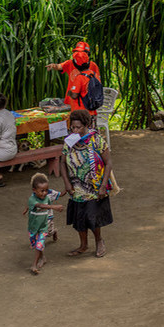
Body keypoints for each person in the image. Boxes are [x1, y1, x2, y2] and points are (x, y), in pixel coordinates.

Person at [59, 109, 113, 258]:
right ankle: (83, 245)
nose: (75, 130)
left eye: (78, 127)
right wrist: (67, 183)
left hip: (94, 187)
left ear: (86, 125)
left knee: (92, 217)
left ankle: (99, 241)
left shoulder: (96, 140)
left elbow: (108, 163)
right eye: (73, 127)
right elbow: (62, 163)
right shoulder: (69, 141)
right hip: (76, 187)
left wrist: (103, 186)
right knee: (79, 218)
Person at [26, 172, 65, 275]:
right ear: (34, 190)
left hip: (43, 227)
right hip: (33, 228)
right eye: (42, 191)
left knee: (39, 244)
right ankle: (42, 257)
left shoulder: (47, 198)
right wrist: (54, 207)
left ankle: (34, 264)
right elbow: (40, 205)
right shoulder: (32, 199)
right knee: (36, 245)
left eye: (46, 190)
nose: (44, 193)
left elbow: (46, 202)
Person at [46, 41, 100, 105]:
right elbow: (60, 66)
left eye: (81, 52)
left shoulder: (93, 65)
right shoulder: (70, 63)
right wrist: (53, 65)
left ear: (87, 54)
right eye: (77, 52)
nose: (78, 54)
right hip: (70, 100)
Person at [66, 51, 101, 122]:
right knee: (91, 132)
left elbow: (75, 95)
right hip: (92, 112)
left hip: (80, 113)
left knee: (79, 132)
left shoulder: (79, 78)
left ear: (76, 65)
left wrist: (70, 93)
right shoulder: (95, 75)